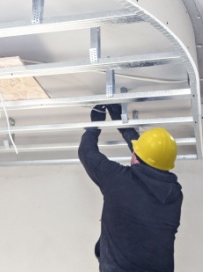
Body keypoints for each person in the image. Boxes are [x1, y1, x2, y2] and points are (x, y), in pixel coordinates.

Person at [78, 104, 183, 272]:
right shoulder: (173, 194)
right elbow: (147, 160)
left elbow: (87, 152)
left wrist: (93, 128)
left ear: (135, 157)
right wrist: (124, 128)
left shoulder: (118, 179)